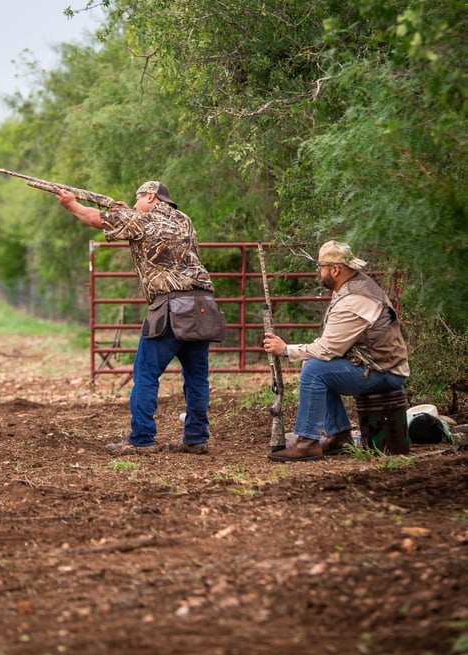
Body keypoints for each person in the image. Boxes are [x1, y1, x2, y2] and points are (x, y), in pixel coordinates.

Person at [54, 180, 224, 456]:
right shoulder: (184, 220)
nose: (133, 204)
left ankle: (142, 439)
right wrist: (125, 212)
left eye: (137, 199)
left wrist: (70, 204)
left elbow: (93, 218)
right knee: (197, 377)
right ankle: (196, 438)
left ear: (150, 196)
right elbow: (140, 222)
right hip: (202, 305)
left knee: (145, 374)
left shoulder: (141, 219)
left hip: (170, 306)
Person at [262, 240, 409, 462]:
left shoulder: (353, 299)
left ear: (335, 269)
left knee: (315, 369)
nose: (318, 272)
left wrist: (285, 350)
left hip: (385, 371)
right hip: (383, 365)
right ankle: (340, 436)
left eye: (320, 267)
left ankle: (307, 442)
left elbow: (327, 348)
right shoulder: (356, 287)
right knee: (317, 367)